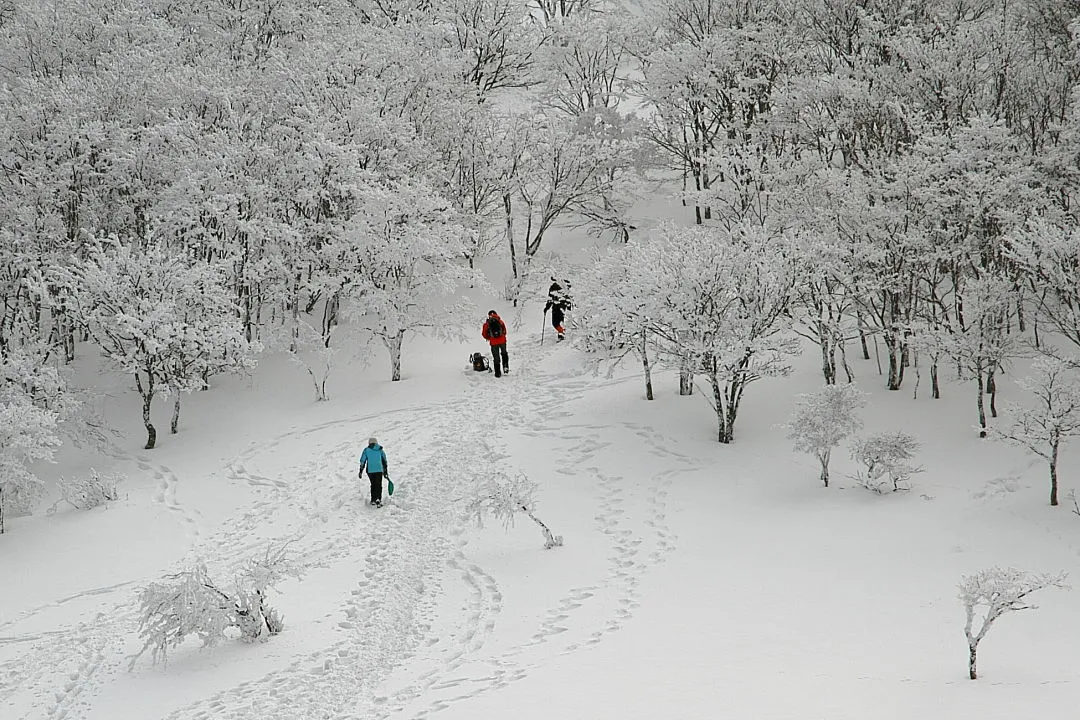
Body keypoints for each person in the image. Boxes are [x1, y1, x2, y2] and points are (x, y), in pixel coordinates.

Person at [358, 437, 389, 507]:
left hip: (370, 471)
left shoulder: (366, 450)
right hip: (379, 469)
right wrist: (385, 470)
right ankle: (378, 498)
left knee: (373, 484)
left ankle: (373, 500)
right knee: (378, 484)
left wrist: (360, 471)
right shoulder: (380, 450)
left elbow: (362, 461)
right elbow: (384, 460)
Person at [481, 309, 509, 377]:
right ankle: (505, 367)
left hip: (493, 342)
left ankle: (497, 373)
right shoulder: (500, 321)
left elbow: (484, 334)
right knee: (504, 353)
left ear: (489, 316)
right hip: (502, 341)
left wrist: (489, 338)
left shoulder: (486, 324)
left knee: (496, 357)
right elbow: (505, 331)